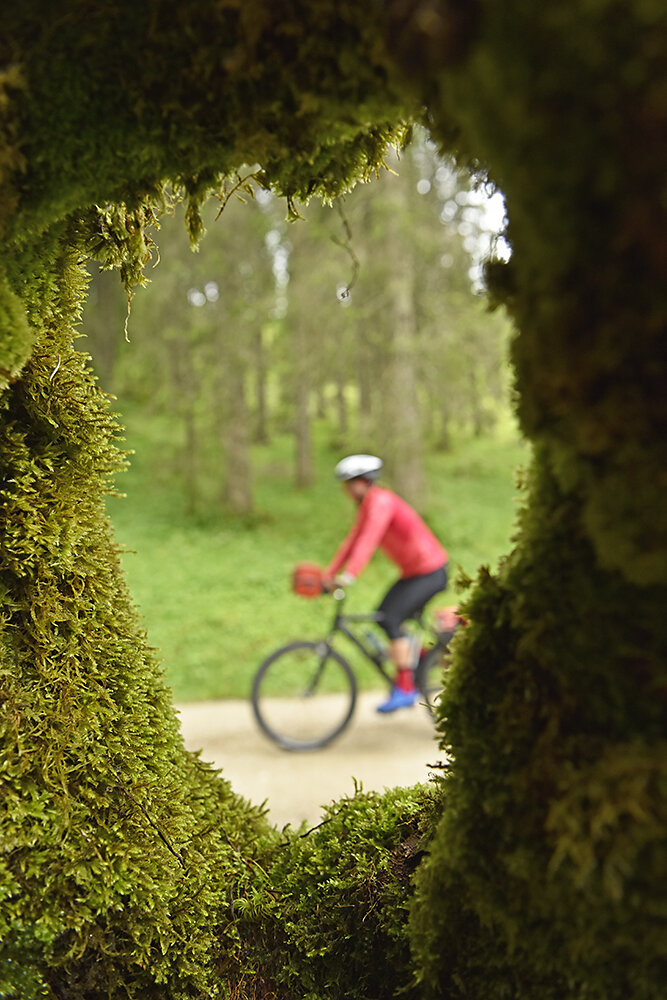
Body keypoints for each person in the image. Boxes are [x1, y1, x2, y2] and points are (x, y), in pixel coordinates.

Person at [323, 454, 449, 713]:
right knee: (384, 617)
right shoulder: (368, 505)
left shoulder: (380, 501)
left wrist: (349, 576)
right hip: (414, 573)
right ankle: (420, 666)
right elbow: (352, 542)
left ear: (362, 482)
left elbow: (368, 540)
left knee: (391, 618)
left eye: (348, 483)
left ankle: (405, 687)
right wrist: (329, 574)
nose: (345, 490)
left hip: (430, 572)